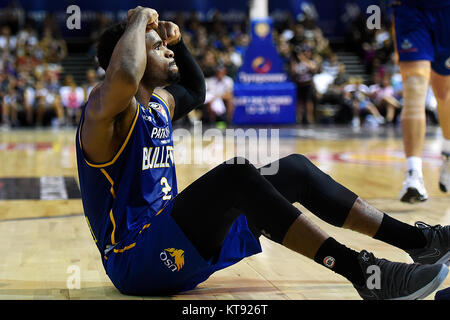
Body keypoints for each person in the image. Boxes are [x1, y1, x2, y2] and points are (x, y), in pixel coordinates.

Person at [76, 6, 450, 299]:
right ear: (130, 57)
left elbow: (196, 90)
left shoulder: (158, 105)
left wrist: (179, 43)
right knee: (236, 174)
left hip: (178, 244)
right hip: (136, 260)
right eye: (157, 47)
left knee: (294, 170)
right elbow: (124, 74)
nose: (167, 51)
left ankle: (420, 243)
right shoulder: (104, 114)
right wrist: (139, 17)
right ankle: (368, 275)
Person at [392, 0, 450, 202]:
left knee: (444, 92)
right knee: (415, 87)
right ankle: (413, 175)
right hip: (411, 11)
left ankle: (449, 154)